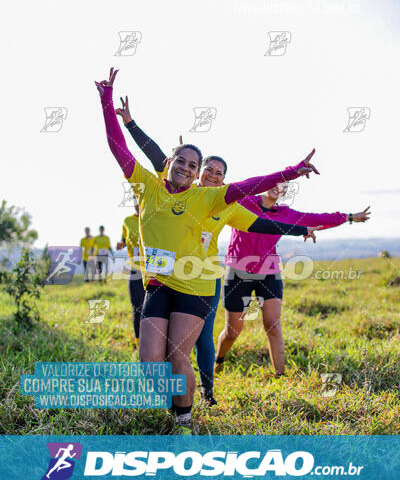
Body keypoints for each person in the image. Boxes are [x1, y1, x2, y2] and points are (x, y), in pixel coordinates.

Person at [95, 67, 319, 431]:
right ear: (171, 164)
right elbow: (117, 145)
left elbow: (252, 187)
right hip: (158, 283)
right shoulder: (148, 186)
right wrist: (107, 102)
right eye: (181, 162)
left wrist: (291, 172)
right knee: (150, 361)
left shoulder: (210, 198)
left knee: (178, 353)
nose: (187, 168)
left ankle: (185, 417)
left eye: (193, 165)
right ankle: (177, 401)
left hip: (197, 286)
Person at [215, 183, 371, 376]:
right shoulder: (244, 202)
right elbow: (221, 189)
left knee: (273, 325)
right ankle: (219, 359)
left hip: (269, 273)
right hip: (238, 272)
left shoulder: (286, 213)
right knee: (233, 331)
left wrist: (347, 217)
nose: (278, 188)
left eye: (284, 186)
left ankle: (280, 376)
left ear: (284, 193)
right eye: (275, 183)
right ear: (265, 185)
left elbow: (318, 219)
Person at [116, 198, 144, 348]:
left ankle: (155, 343)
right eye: (135, 199)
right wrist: (120, 244)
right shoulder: (128, 220)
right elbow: (123, 238)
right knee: (137, 308)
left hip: (154, 271)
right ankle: (139, 344)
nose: (137, 202)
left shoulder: (154, 216)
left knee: (154, 309)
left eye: (140, 199)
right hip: (135, 270)